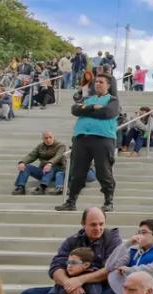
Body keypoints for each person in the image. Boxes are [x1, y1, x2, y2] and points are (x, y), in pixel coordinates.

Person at [56, 74, 119, 212]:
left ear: (108, 85)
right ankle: (71, 201)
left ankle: (108, 201)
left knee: (103, 171)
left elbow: (108, 113)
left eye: (101, 82)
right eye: (96, 82)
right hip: (81, 139)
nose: (97, 84)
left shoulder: (112, 100)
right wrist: (93, 107)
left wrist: (86, 110)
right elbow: (75, 110)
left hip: (103, 139)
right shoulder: (89, 99)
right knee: (77, 172)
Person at [11, 131, 66, 196]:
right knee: (26, 167)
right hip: (44, 171)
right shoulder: (40, 146)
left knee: (50, 167)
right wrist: (22, 162)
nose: (48, 140)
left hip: (58, 170)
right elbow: (31, 155)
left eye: (50, 137)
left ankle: (42, 187)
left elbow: (58, 156)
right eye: (46, 138)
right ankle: (20, 187)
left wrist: (49, 163)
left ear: (54, 137)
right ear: (43, 139)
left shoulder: (61, 146)